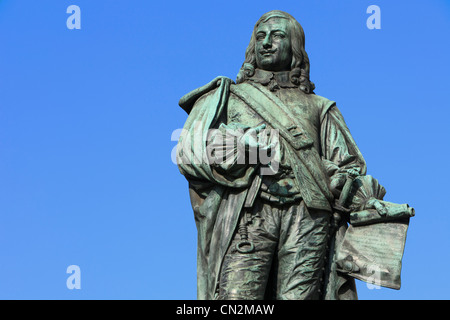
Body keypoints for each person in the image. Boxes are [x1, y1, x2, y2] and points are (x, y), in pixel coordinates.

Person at [176, 10, 366, 300]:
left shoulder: (320, 107)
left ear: (295, 47)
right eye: (260, 37)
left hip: (309, 213)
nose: (266, 42)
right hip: (250, 212)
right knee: (237, 299)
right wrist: (240, 148)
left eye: (277, 35)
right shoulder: (229, 97)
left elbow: (351, 166)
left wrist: (343, 180)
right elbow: (189, 151)